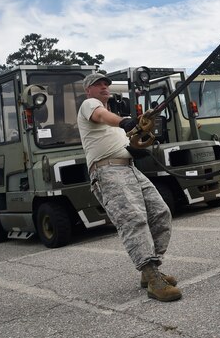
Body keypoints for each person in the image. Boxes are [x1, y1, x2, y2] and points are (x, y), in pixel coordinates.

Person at [77, 72, 182, 302]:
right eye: (98, 84)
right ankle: (154, 279)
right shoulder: (90, 106)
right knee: (133, 219)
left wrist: (135, 146)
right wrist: (126, 122)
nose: (104, 87)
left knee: (160, 212)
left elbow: (125, 139)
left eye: (106, 84)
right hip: (108, 172)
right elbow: (101, 115)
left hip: (129, 168)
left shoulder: (112, 119)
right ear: (88, 90)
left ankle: (150, 270)